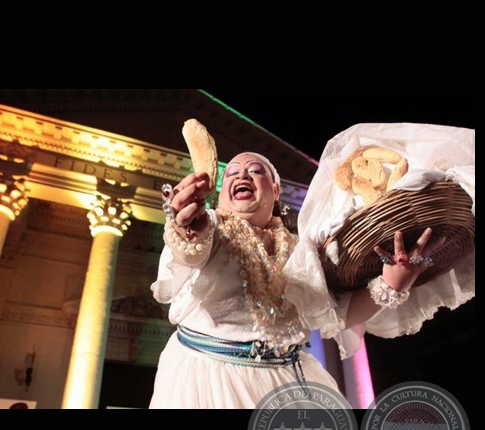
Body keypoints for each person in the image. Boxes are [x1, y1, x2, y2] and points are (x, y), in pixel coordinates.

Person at [148, 151, 447, 409]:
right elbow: (189, 254)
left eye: (256, 171)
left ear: (276, 189)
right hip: (210, 377)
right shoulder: (210, 226)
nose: (243, 176)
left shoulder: (301, 249)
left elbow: (338, 314)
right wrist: (185, 227)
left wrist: (393, 283)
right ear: (221, 193)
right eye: (232, 174)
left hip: (290, 380)